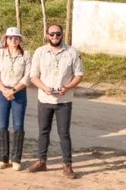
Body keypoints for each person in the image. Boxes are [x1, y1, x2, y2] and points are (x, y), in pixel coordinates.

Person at [28, 24, 84, 179]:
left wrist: (67, 87)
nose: (54, 37)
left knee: (64, 133)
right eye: (51, 34)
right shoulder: (40, 52)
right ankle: (41, 161)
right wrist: (44, 87)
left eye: (57, 34)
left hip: (64, 100)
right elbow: (33, 75)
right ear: (46, 35)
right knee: (43, 132)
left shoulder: (72, 52)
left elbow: (79, 75)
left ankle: (67, 165)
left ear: (62, 34)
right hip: (45, 98)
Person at [0, 27, 31, 171]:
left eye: (16, 38)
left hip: (18, 92)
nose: (14, 40)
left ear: (20, 40)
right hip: (2, 91)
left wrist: (13, 90)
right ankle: (3, 158)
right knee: (2, 125)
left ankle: (16, 159)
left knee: (18, 125)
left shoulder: (25, 55)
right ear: (6, 39)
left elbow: (27, 77)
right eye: (10, 38)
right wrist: (5, 91)